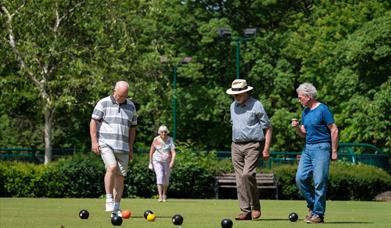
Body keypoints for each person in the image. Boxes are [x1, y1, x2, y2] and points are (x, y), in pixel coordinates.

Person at [291, 82, 339, 224]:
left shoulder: (323, 109)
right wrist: (297, 128)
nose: (299, 100)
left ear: (308, 96)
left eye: (300, 97)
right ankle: (313, 206)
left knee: (319, 182)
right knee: (300, 179)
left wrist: (334, 150)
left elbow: (334, 129)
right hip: (308, 148)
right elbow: (304, 133)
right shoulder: (305, 112)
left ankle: (318, 214)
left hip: (322, 148)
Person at [226, 79, 272, 220]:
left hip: (253, 145)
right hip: (236, 145)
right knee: (239, 179)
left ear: (246, 92)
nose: (236, 96)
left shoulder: (256, 105)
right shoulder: (233, 106)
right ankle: (245, 211)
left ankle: (255, 206)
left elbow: (268, 127)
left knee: (247, 175)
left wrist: (266, 148)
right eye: (234, 94)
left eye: (239, 93)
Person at [89, 81, 137, 217]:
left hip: (123, 146)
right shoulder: (103, 103)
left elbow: (133, 128)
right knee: (111, 167)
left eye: (124, 96)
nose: (120, 98)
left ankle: (116, 207)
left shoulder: (131, 106)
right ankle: (108, 199)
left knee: (121, 176)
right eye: (119, 95)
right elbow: (93, 121)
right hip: (106, 143)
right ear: (114, 90)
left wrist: (131, 146)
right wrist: (94, 141)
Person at [148, 125, 176, 202]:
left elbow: (173, 152)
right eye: (162, 132)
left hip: (167, 161)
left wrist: (172, 161)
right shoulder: (156, 139)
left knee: (166, 177)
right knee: (160, 176)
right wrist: (150, 162)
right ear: (159, 133)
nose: (163, 133)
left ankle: (164, 194)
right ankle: (160, 196)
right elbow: (151, 151)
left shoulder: (170, 140)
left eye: (165, 132)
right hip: (157, 160)